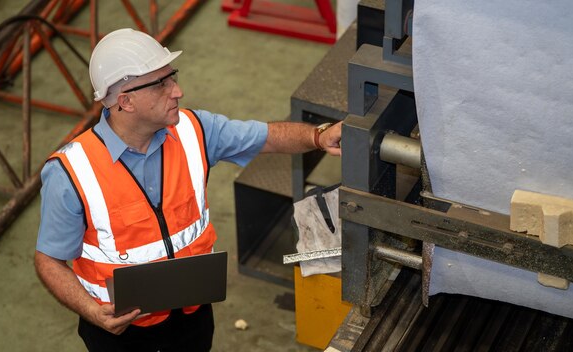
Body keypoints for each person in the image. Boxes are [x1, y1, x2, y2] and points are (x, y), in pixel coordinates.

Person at [34, 28, 342, 352]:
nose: (177, 91)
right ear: (125, 101)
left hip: (192, 315)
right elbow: (49, 261)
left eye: (173, 77)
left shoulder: (193, 130)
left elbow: (264, 136)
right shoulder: (72, 172)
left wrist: (318, 137)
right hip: (122, 334)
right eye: (161, 84)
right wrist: (93, 312)